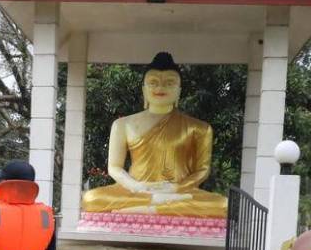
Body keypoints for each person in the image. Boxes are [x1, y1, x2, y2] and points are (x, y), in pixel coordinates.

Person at [80, 51, 227, 217]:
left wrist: (175, 188)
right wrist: (137, 187)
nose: (160, 87)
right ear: (143, 89)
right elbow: (114, 167)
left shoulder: (199, 128)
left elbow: (202, 170)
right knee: (90, 199)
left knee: (223, 205)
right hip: (136, 190)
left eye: (169, 83)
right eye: (153, 82)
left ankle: (154, 206)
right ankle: (160, 204)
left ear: (179, 91)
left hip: (177, 192)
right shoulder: (123, 124)